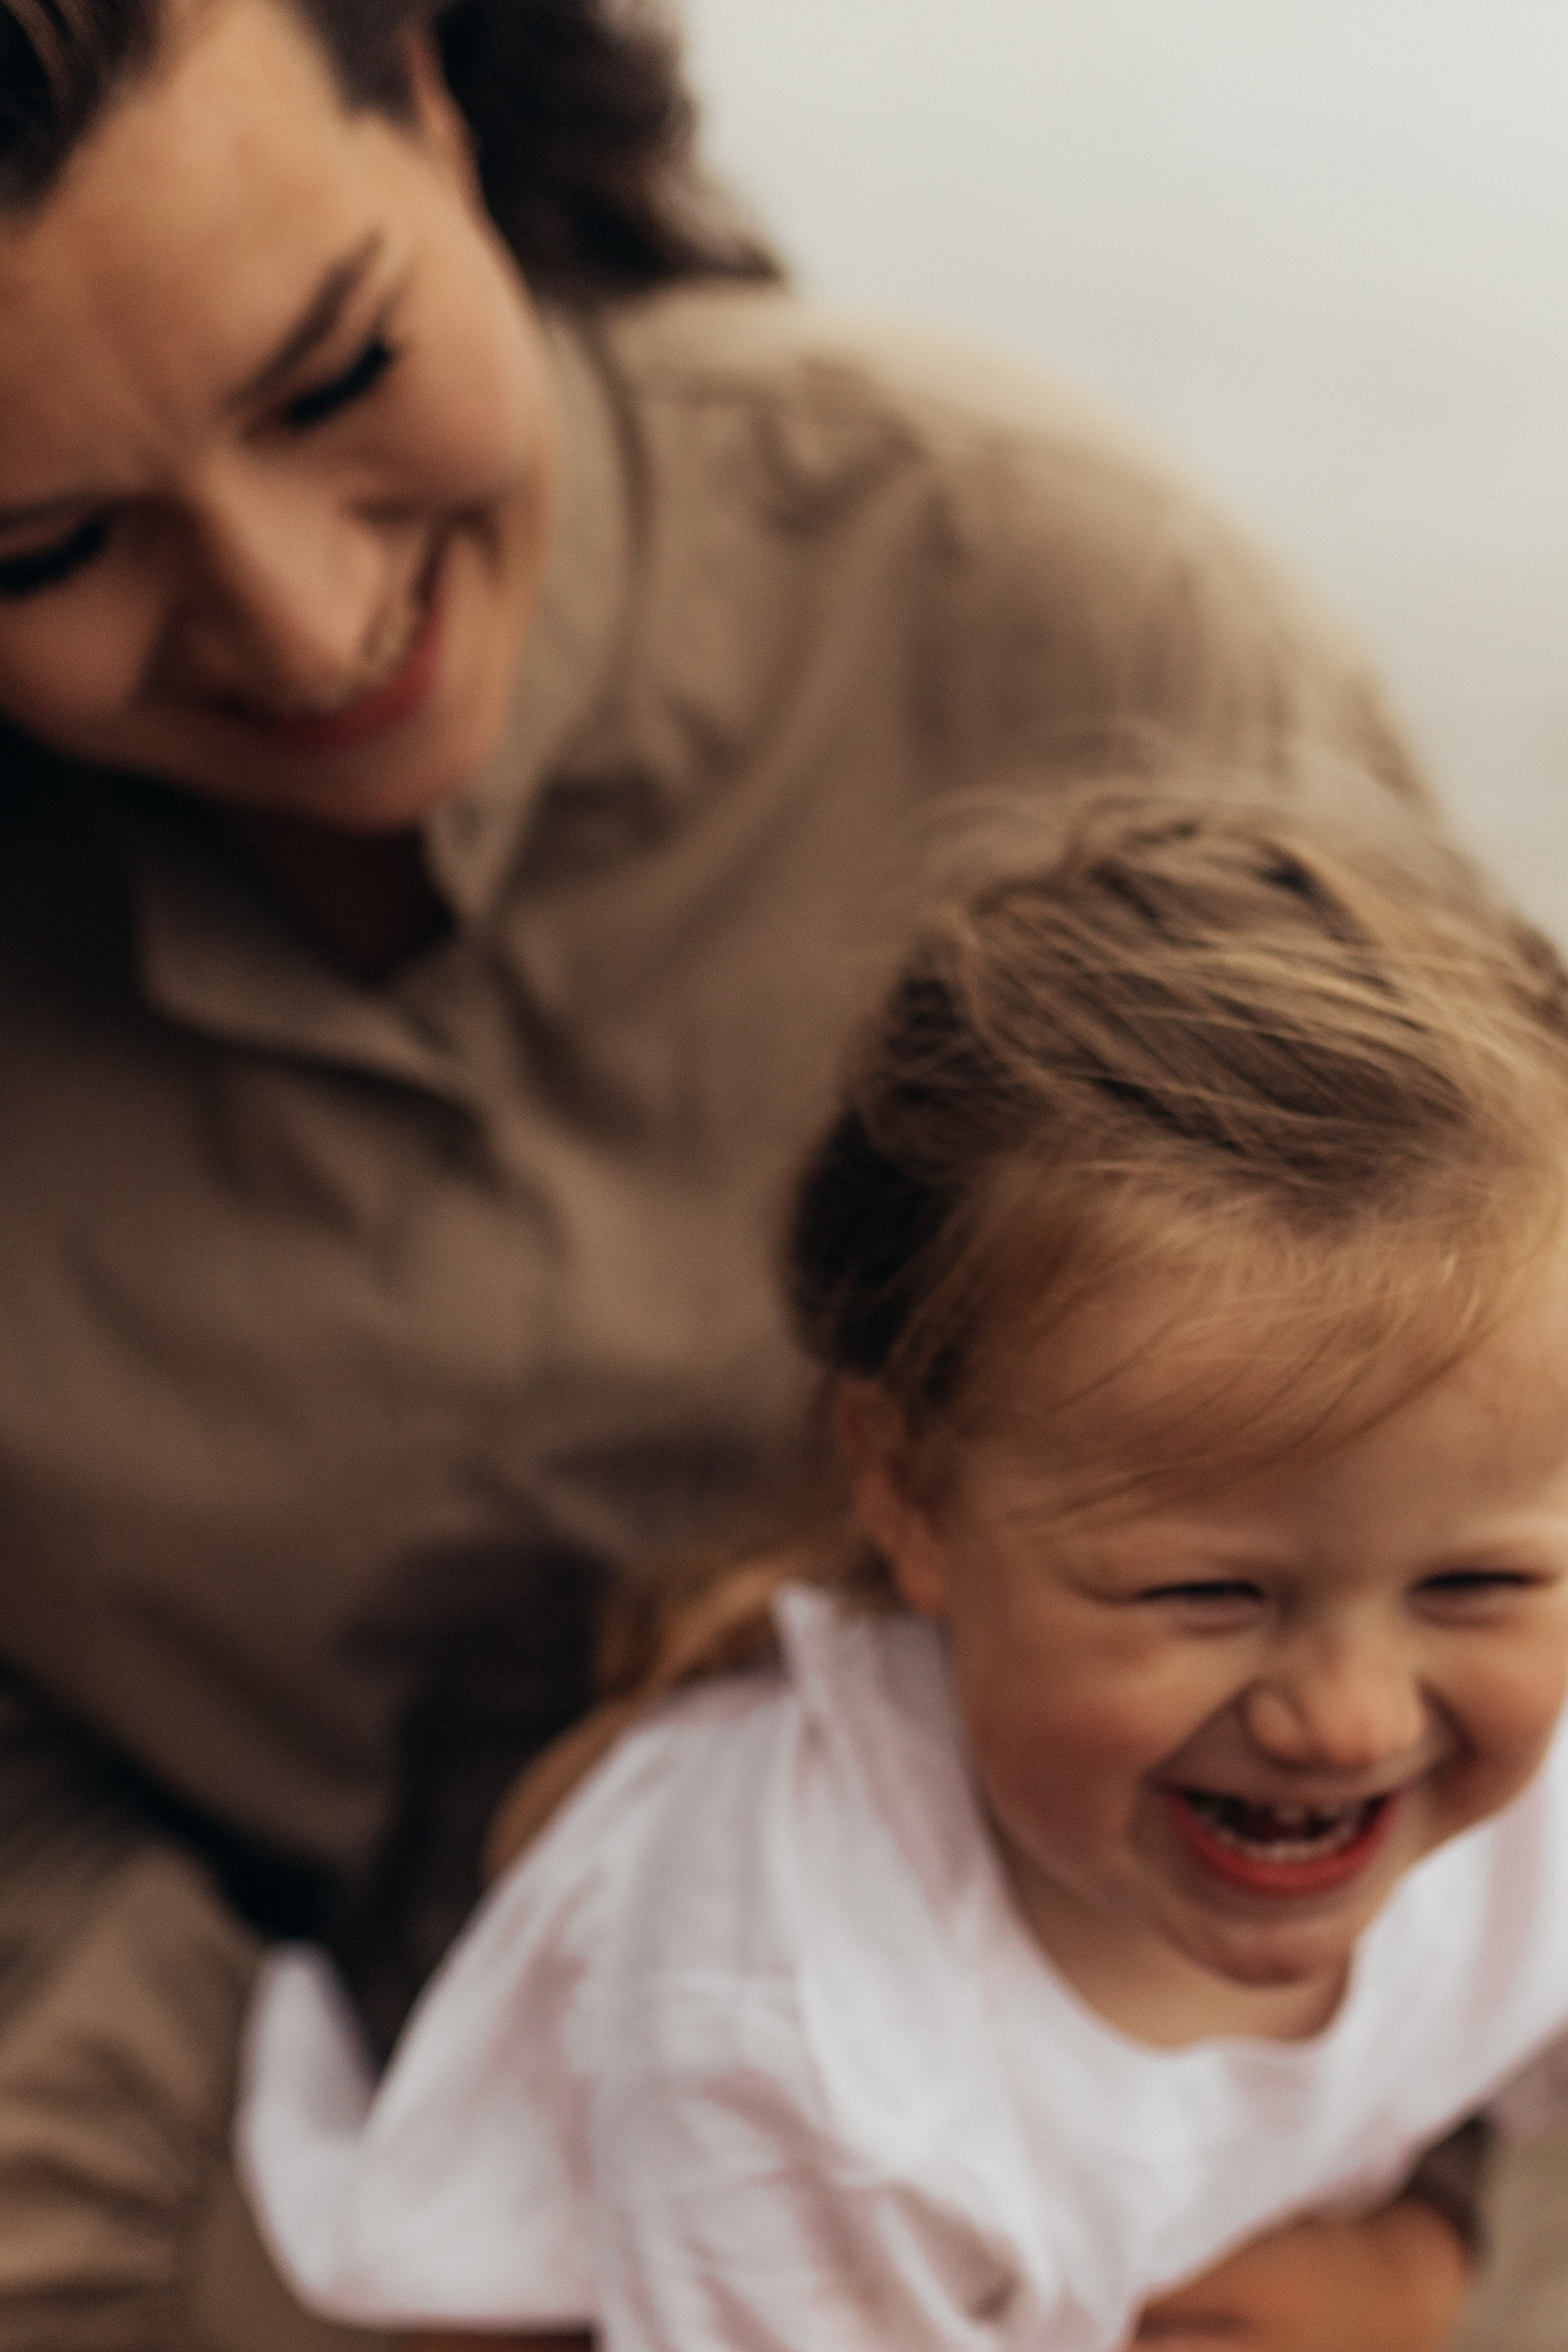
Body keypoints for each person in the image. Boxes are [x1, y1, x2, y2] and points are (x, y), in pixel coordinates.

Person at [0, 0, 1475, 2340]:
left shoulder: (1078, 621)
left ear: (433, 92)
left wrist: (1423, 2251)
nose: (299, 619)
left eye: (334, 370)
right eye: (51, 546)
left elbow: (1481, 1477)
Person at [236, 778, 1568, 2351]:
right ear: (912, 1497)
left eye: (1474, 1589)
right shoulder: (793, 2038)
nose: (1346, 1719)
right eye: (1202, 1594)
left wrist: (1392, 2268)